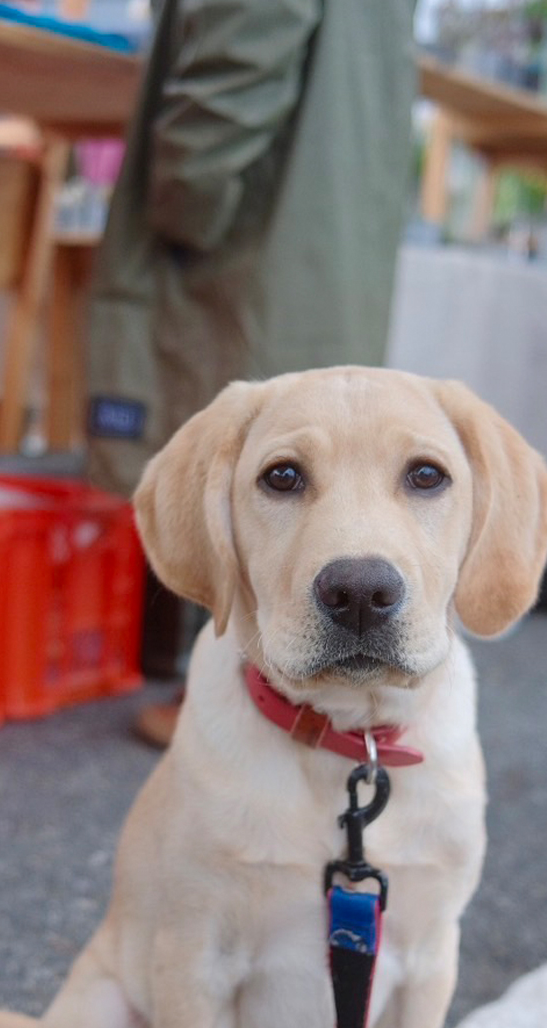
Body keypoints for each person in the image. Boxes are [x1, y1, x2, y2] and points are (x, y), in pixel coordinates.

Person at [85, 0, 419, 742]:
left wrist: (182, 201)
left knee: (253, 444)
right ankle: (290, 682)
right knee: (311, 454)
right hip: (325, 211)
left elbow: (238, 60)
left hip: (256, 229)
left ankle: (235, 684)